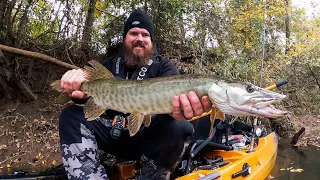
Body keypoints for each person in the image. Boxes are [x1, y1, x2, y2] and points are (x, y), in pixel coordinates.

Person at [58, 9, 212, 180]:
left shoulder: (165, 68)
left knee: (179, 126)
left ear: (151, 42)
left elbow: (174, 106)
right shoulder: (108, 65)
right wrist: (77, 90)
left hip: (148, 138)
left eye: (145, 35)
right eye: (133, 33)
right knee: (70, 115)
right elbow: (87, 97)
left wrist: (180, 111)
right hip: (111, 133)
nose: (139, 38)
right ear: (124, 38)